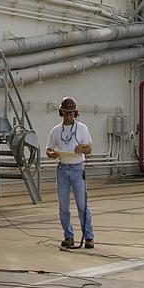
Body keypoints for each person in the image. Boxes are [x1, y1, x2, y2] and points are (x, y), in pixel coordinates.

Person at [45, 96, 94, 249]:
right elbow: (49, 149)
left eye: (71, 114)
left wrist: (82, 149)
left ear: (75, 113)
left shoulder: (82, 129)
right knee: (64, 206)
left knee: (82, 204)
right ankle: (68, 235)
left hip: (77, 168)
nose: (68, 117)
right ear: (61, 113)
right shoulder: (56, 130)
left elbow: (89, 149)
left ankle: (89, 236)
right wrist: (52, 154)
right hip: (62, 168)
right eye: (65, 114)